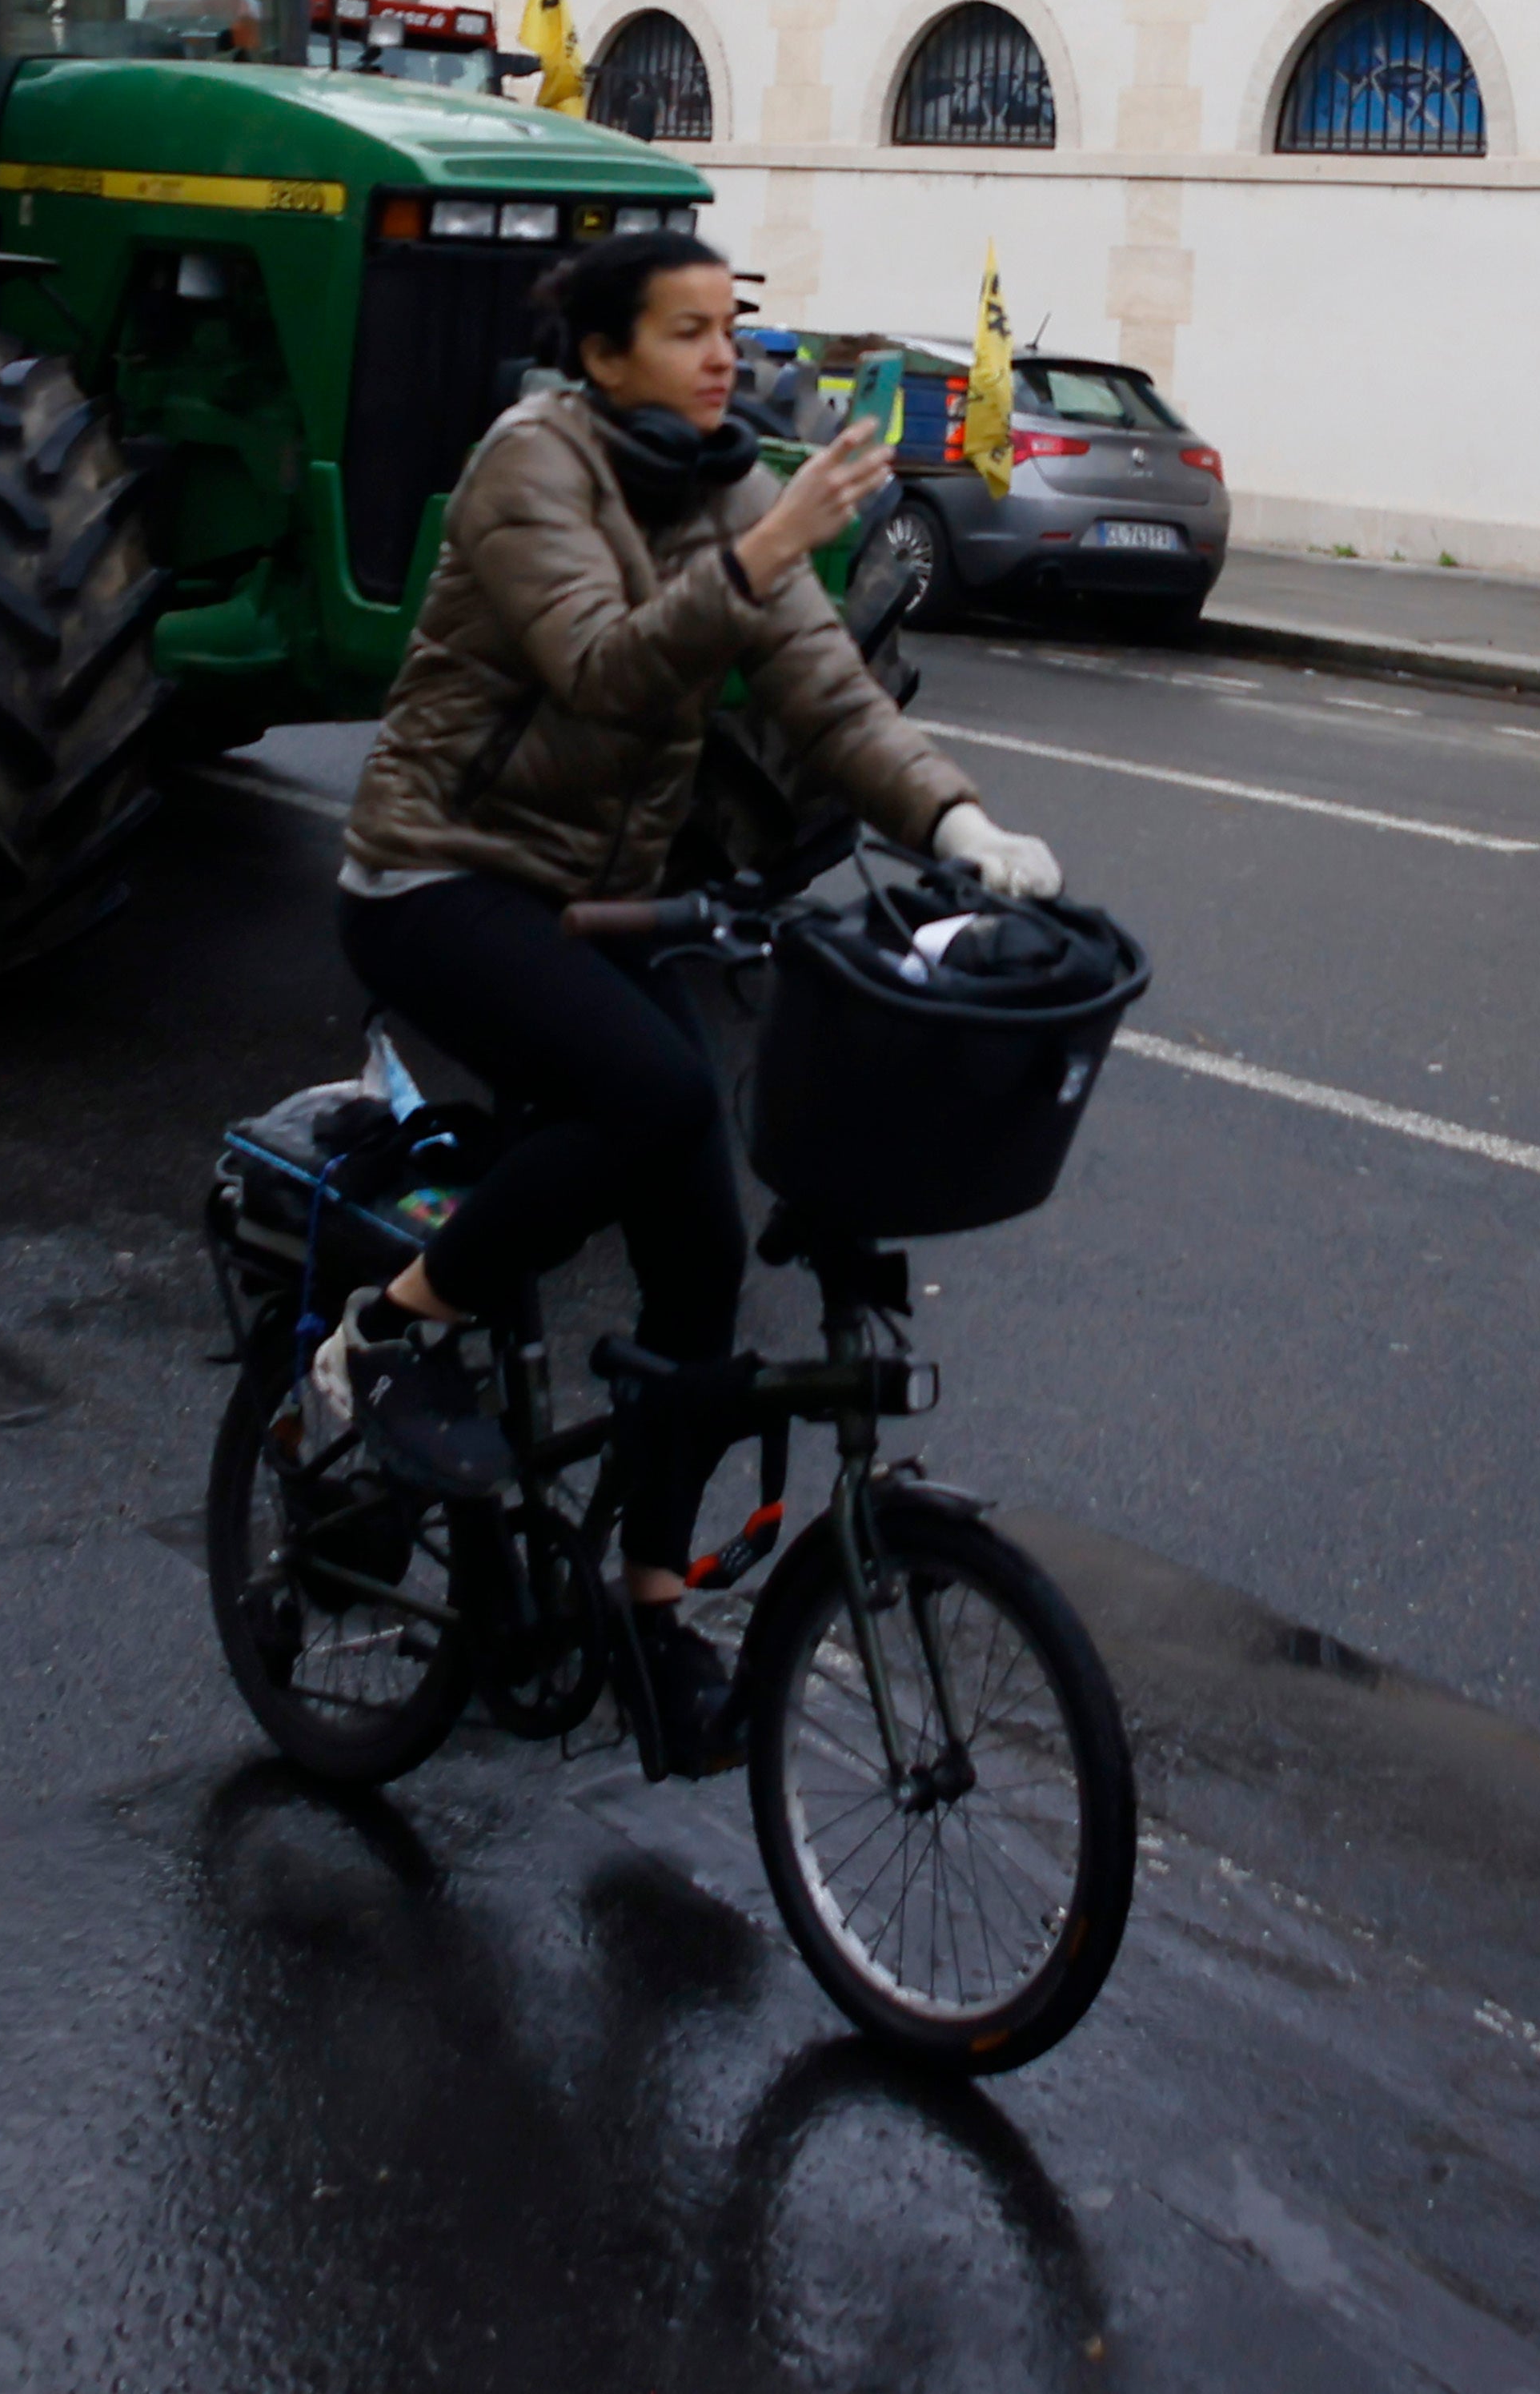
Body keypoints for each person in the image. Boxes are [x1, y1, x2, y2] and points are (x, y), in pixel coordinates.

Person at [307, 226, 1061, 1763]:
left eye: (731, 327)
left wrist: (958, 824)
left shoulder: (722, 480)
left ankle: (650, 1612)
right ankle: (385, 1336)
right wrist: (771, 546)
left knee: (704, 1248)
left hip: (593, 899)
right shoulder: (538, 464)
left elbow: (829, 699)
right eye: (684, 331)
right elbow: (601, 665)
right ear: (602, 356)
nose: (722, 356)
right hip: (438, 872)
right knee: (643, 1097)